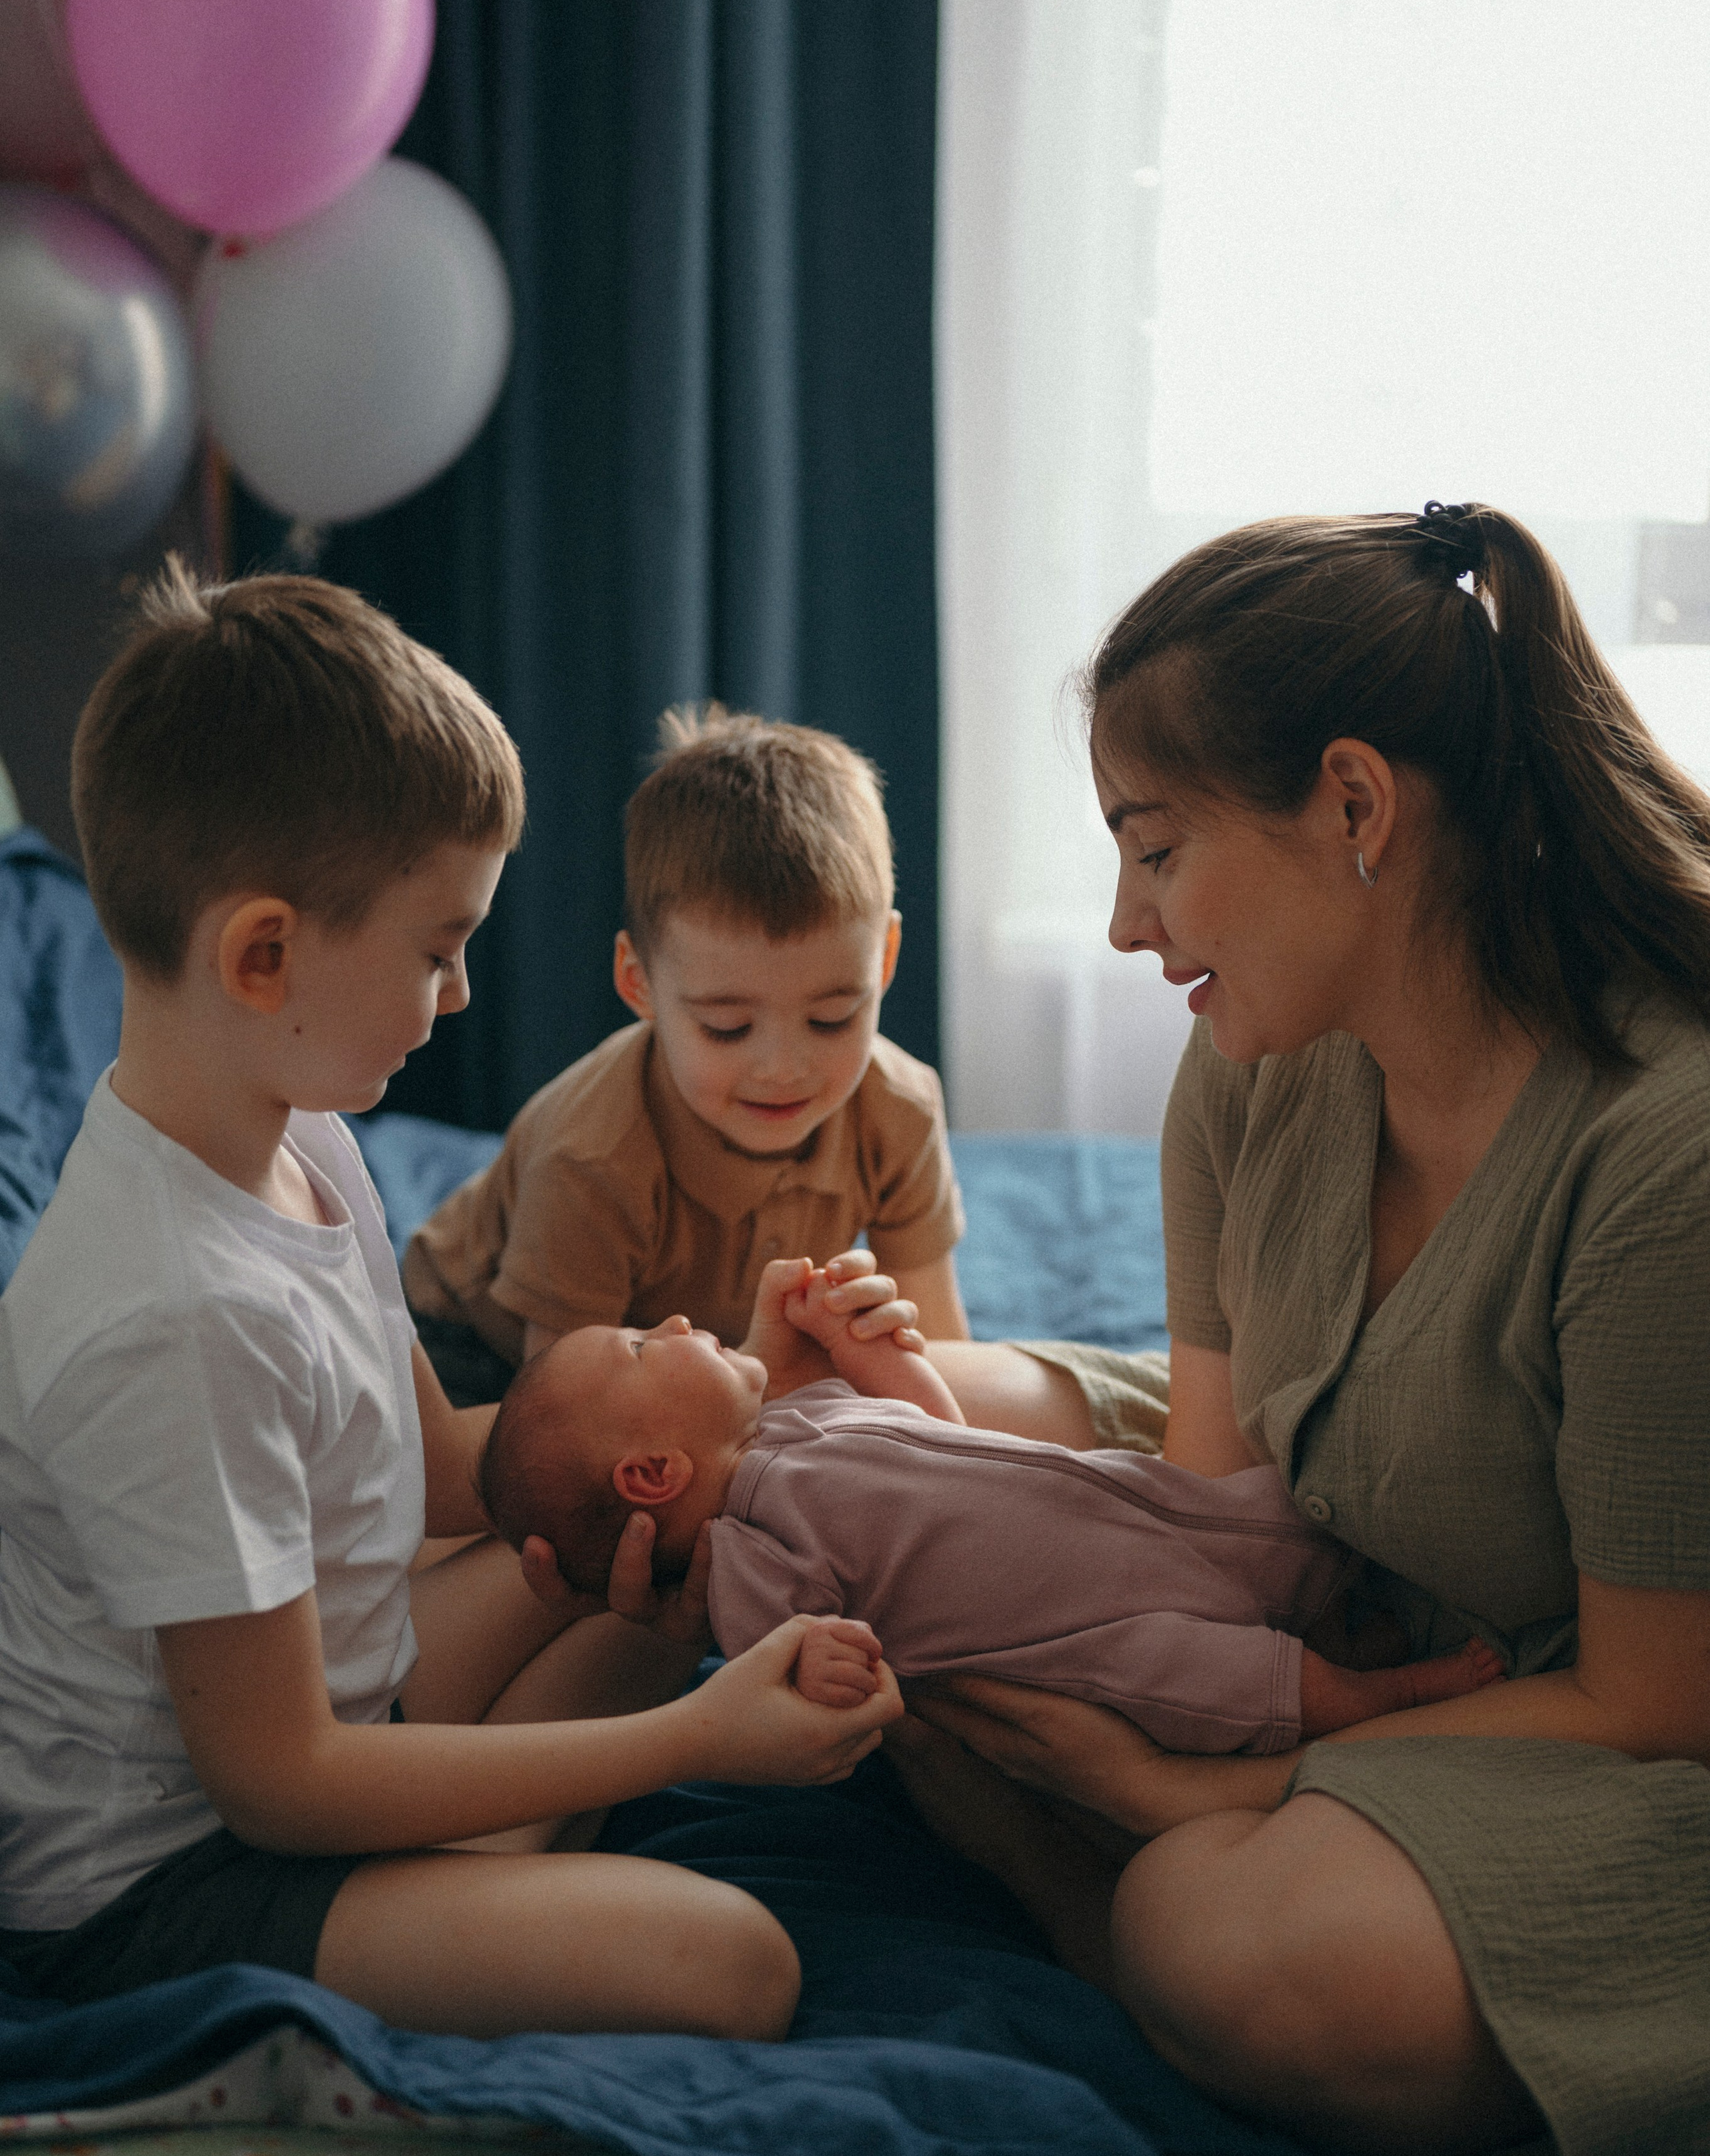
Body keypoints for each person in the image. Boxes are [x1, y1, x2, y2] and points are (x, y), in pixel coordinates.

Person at [896, 502, 1710, 2156]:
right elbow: (1220, 1511)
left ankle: (1115, 1908)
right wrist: (1145, 1656)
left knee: (1248, 1948)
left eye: (1156, 846)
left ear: (1352, 803)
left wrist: (1195, 1774)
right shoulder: (1256, 1055)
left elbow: (1650, 1699)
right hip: (1353, 1549)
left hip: (1624, 1722)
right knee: (864, 1470)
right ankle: (1135, 1877)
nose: (1127, 923)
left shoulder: (1660, 1144)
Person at [0, 564, 901, 2042]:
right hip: (180, 1879)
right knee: (735, 1962)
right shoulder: (175, 1316)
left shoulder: (303, 1138)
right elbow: (277, 1781)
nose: (463, 994)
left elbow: (445, 1472)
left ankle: (474, 1863)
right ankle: (471, 1873)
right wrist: (689, 1739)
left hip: (359, 1699)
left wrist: (728, 1385)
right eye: (436, 949)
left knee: (680, 1542)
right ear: (264, 952)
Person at [480, 1263, 1504, 1757]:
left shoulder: (798, 1421)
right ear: (652, 1475)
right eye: (635, 1347)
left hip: (1114, 1510)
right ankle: (1392, 1700)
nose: (666, 1320)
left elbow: (947, 1434)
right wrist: (817, 1663)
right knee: (1225, 1676)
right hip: (1083, 1631)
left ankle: (1410, 1570)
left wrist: (886, 1364)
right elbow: (788, 1658)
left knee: (1271, 1514)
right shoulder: (746, 1559)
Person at [403, 703, 970, 1408]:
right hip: (475, 1342)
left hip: (705, 1349)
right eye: (727, 1027)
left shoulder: (901, 1108)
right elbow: (570, 1412)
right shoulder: (593, 1158)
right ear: (638, 982)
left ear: (883, 957)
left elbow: (944, 1346)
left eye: (833, 1017)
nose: (782, 1066)